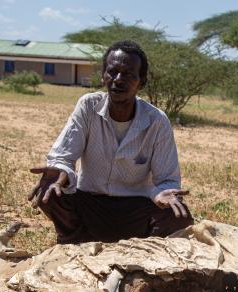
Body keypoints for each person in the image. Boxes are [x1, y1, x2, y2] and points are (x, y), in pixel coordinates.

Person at [28, 40, 193, 244]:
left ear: (141, 82)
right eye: (112, 71)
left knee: (179, 215)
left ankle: (145, 252)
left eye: (129, 74)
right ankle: (74, 242)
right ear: (103, 75)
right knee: (51, 189)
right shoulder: (88, 106)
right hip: (89, 204)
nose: (118, 79)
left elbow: (167, 180)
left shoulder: (157, 121)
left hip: (135, 209)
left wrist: (163, 194)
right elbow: (63, 155)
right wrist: (60, 170)